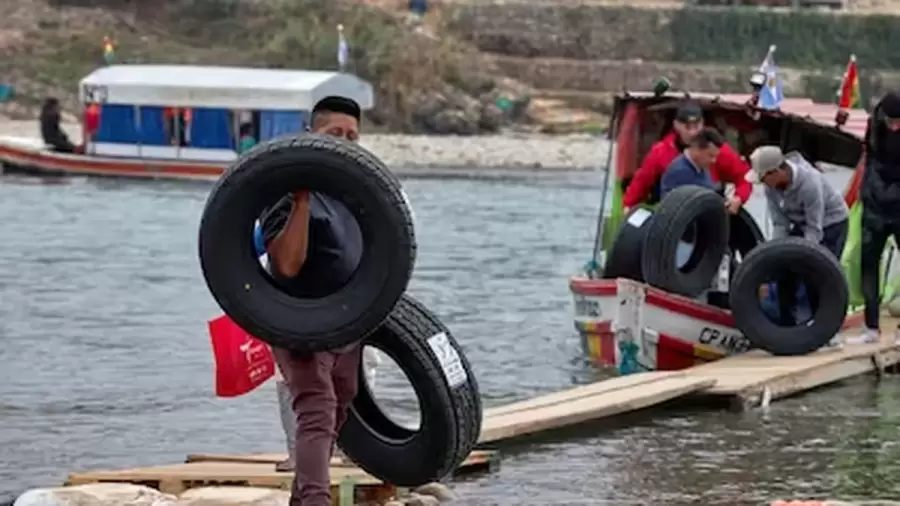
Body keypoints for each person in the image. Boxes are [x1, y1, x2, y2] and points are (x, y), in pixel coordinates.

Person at [260, 95, 364, 506]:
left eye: (352, 136)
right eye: (334, 133)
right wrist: (302, 198)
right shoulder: (283, 191)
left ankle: (300, 500)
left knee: (342, 401)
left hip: (346, 320)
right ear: (310, 134)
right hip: (297, 318)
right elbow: (286, 265)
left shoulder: (356, 193)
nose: (344, 142)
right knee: (317, 408)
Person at [748, 145, 849, 345]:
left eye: (763, 178)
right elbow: (780, 223)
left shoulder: (809, 183)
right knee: (784, 271)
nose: (762, 184)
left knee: (817, 274)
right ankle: (787, 327)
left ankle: (827, 330)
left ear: (776, 172)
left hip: (830, 223)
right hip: (800, 224)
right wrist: (777, 253)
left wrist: (805, 258)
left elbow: (814, 228)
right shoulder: (771, 187)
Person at [623, 102, 751, 214]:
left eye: (696, 126)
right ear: (676, 125)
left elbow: (745, 177)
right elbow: (641, 181)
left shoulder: (718, 151)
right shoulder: (660, 152)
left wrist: (738, 198)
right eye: (687, 127)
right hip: (674, 213)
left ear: (703, 124)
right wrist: (628, 206)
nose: (692, 132)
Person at [854, 90, 900, 344]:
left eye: (899, 122)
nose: (895, 127)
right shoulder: (874, 124)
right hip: (875, 206)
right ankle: (871, 327)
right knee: (869, 263)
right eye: (891, 121)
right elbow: (869, 159)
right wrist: (867, 192)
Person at [659, 127, 724, 199]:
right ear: (697, 149)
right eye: (710, 155)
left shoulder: (702, 167)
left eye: (715, 156)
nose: (714, 160)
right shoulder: (679, 172)